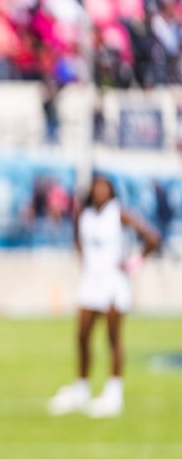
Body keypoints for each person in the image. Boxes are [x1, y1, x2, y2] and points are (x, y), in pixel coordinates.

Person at [48, 173, 159, 418]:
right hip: (90, 282)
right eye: (96, 187)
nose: (100, 192)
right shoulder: (85, 215)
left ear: (110, 191)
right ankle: (81, 388)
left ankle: (114, 392)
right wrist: (83, 259)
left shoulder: (119, 213)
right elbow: (77, 238)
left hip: (112, 283)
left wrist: (134, 263)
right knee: (82, 336)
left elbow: (152, 237)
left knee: (113, 338)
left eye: (104, 187)